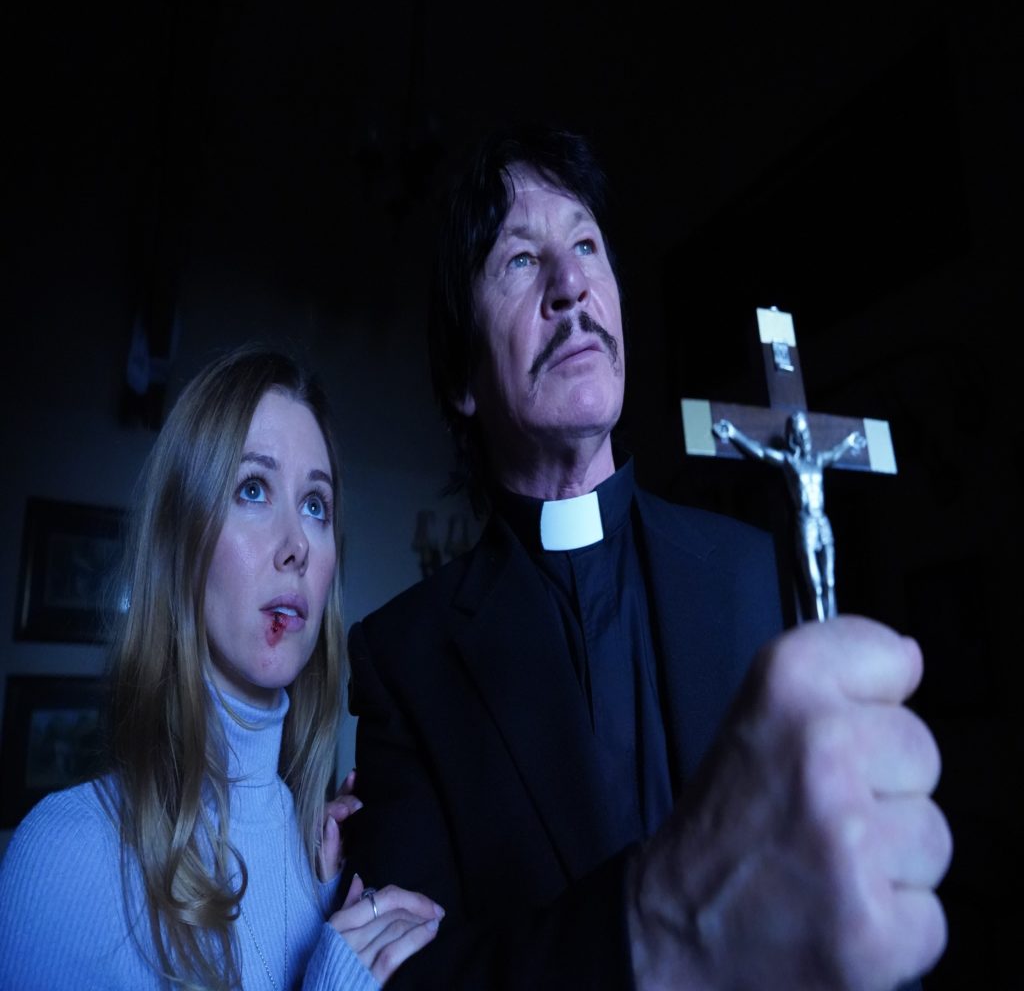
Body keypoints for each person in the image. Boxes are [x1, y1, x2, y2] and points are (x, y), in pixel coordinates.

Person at [344, 128, 951, 989]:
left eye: (587, 246)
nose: (571, 285)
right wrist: (646, 921)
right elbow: (418, 980)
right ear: (461, 380)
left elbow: (843, 878)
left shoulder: (746, 571)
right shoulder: (405, 660)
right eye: (520, 260)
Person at [0, 348, 444, 990]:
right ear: (181, 539)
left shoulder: (329, 862)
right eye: (253, 489)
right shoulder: (62, 856)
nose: (296, 545)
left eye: (315, 504)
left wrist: (325, 903)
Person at [714, 411, 867, 620]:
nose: (805, 437)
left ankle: (832, 626)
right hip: (805, 523)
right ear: (793, 437)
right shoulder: (789, 462)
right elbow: (761, 452)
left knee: (829, 581)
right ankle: (819, 628)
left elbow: (834, 452)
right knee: (814, 584)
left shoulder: (817, 460)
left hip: (822, 521)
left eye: (806, 432)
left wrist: (849, 442)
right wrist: (734, 433)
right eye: (800, 433)